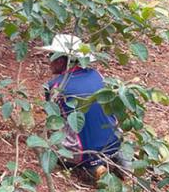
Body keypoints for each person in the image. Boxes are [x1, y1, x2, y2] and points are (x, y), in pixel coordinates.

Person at [38, 34, 129, 182]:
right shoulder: (98, 75)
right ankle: (117, 161)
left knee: (53, 144)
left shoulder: (55, 87)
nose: (48, 60)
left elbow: (56, 122)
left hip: (83, 153)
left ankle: (94, 169)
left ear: (60, 60)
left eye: (50, 56)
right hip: (114, 141)